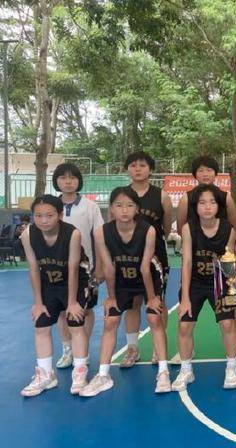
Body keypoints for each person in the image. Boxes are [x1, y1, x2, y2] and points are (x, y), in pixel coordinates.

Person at [80, 187, 169, 396]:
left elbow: (145, 267)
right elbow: (108, 268)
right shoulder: (102, 232)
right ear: (111, 208)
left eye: (129, 205)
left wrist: (152, 298)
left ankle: (163, 372)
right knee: (111, 320)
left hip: (149, 275)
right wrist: (111, 298)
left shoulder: (148, 230)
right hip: (121, 277)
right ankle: (103, 375)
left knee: (154, 317)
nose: (124, 210)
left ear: (137, 209)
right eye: (119, 205)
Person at [20, 195, 90, 396]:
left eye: (49, 215)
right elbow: (33, 268)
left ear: (60, 215)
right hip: (48, 282)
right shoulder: (27, 235)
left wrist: (72, 302)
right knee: (41, 324)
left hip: (76, 280)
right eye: (38, 216)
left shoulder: (72, 234)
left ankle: (80, 372)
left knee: (75, 323)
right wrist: (38, 303)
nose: (43, 220)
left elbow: (73, 268)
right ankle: (46, 375)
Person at [171, 184, 236, 391]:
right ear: (196, 207)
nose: (207, 207)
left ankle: (231, 367)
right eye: (202, 203)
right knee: (185, 326)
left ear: (218, 206)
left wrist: (231, 292)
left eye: (212, 202)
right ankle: (186, 370)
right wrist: (185, 297)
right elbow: (187, 262)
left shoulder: (228, 229)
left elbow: (230, 262)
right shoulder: (188, 228)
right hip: (195, 283)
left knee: (227, 324)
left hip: (220, 283)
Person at [120, 152, 172, 368]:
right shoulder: (122, 195)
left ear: (150, 169)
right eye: (133, 165)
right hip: (127, 257)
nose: (138, 169)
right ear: (127, 169)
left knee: (158, 302)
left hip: (156, 258)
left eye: (142, 165)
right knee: (132, 303)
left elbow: (166, 227)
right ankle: (132, 349)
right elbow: (113, 225)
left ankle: (159, 348)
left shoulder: (161, 196)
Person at [51, 163, 104, 369]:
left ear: (79, 181)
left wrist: (99, 265)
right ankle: (68, 349)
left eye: (72, 177)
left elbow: (99, 237)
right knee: (62, 310)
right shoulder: (50, 206)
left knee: (86, 309)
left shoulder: (90, 207)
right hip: (57, 267)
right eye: (63, 177)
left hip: (85, 268)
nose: (68, 181)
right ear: (56, 181)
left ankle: (83, 348)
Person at [176, 155, 236, 232]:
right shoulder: (186, 199)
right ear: (195, 174)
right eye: (200, 171)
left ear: (215, 173)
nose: (205, 174)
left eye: (209, 170)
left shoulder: (226, 198)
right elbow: (180, 228)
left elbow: (232, 227)